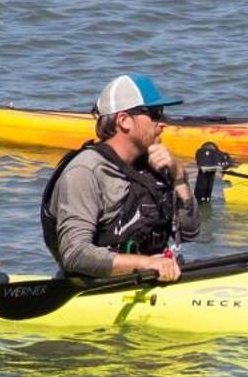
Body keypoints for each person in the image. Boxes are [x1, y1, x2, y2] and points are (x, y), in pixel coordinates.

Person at [41, 73, 201, 282]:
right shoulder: (85, 172)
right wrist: (149, 264)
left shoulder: (157, 165)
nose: (163, 123)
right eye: (155, 114)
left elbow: (190, 233)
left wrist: (178, 176)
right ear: (124, 121)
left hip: (153, 279)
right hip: (96, 289)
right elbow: (74, 254)